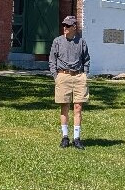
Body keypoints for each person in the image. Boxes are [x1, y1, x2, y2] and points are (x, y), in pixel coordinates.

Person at [48, 14, 90, 150]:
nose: (64, 28)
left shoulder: (81, 42)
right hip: (63, 76)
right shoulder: (57, 41)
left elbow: (86, 59)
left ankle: (77, 138)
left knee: (78, 107)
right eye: (63, 25)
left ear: (74, 27)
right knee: (64, 107)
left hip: (78, 77)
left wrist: (84, 75)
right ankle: (65, 137)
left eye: (67, 26)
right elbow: (52, 60)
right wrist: (56, 76)